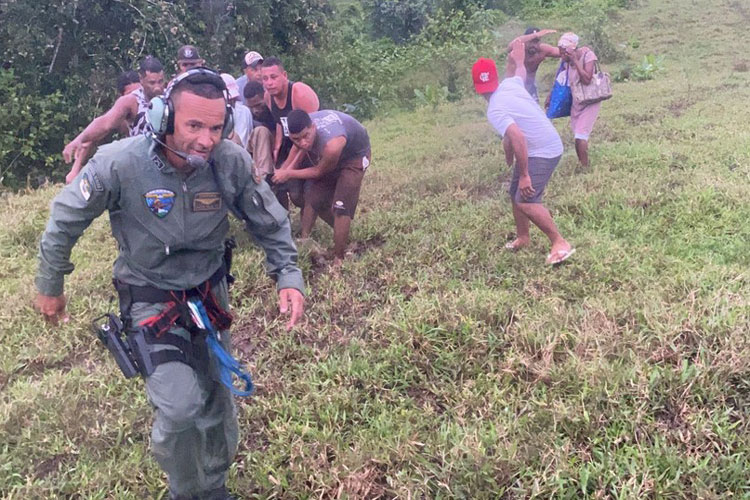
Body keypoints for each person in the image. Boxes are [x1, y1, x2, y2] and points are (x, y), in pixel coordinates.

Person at [34, 68, 306, 499]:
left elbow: (269, 220)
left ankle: (214, 488)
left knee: (218, 401)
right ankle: (186, 491)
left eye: (216, 127)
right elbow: (64, 220)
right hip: (150, 300)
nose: (205, 139)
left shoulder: (229, 162)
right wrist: (50, 283)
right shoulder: (120, 163)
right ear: (164, 118)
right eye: (193, 125)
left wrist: (288, 275)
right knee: (180, 408)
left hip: (208, 295)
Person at [473, 41, 575, 265]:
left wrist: (525, 174)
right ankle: (523, 237)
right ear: (495, 79)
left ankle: (559, 242)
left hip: (543, 150)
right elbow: (519, 70)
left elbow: (517, 137)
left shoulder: (494, 109)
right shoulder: (510, 85)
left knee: (527, 200)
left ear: (476, 88)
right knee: (514, 193)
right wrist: (517, 58)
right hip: (540, 144)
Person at [272, 109, 371, 264]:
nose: (303, 142)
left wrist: (289, 174)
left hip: (354, 156)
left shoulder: (332, 144)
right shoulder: (302, 135)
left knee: (341, 206)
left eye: (306, 136)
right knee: (314, 198)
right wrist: (282, 171)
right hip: (334, 157)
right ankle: (331, 236)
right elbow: (297, 150)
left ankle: (339, 257)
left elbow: (319, 172)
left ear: (313, 127)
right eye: (296, 139)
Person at [62, 56, 166, 183]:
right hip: (142, 164)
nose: (157, 88)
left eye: (160, 82)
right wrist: (79, 141)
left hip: (168, 161)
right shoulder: (130, 102)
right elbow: (103, 124)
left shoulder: (170, 97)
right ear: (142, 80)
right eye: (152, 83)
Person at [261, 57, 319, 208]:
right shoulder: (268, 96)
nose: (269, 83)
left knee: (301, 194)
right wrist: (277, 148)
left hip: (312, 144)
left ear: (284, 75)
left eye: (273, 77)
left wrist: (289, 168)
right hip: (291, 144)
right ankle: (282, 222)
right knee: (278, 182)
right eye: (265, 79)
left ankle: (310, 217)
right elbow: (280, 122)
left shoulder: (299, 93)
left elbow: (311, 135)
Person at [547, 32, 601, 168]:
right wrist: (550, 96)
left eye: (564, 53)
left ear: (573, 49)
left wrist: (576, 61)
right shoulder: (565, 62)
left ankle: (585, 167)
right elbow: (559, 80)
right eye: (560, 53)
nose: (562, 55)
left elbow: (587, 79)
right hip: (577, 102)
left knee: (580, 136)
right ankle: (583, 162)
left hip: (590, 100)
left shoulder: (588, 56)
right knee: (578, 135)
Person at [506, 27, 560, 101]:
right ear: (525, 41)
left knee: (534, 109)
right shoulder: (517, 50)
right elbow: (511, 45)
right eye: (531, 41)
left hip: (530, 87)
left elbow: (562, 52)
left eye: (536, 42)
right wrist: (535, 35)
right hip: (512, 87)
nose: (533, 45)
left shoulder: (542, 50)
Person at [244, 80, 276, 183]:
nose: (255, 110)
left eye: (258, 105)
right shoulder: (248, 114)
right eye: (251, 107)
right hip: (254, 149)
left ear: (265, 96)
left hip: (275, 147)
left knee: (261, 131)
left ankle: (263, 180)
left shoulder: (276, 107)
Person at [220, 73, 253, 150]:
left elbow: (248, 136)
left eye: (233, 99)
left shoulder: (245, 111)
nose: (231, 102)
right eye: (229, 99)